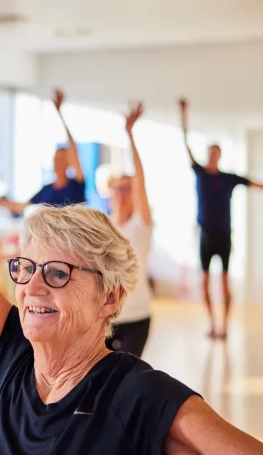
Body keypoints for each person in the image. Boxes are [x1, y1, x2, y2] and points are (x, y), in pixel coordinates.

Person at [0, 21, 263, 455]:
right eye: (26, 269)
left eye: (58, 273)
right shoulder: (9, 350)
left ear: (109, 297)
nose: (31, 286)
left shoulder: (140, 396)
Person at [180, 98, 263, 339]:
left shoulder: (228, 178)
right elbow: (185, 144)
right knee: (204, 284)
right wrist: (183, 114)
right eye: (209, 153)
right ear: (207, 155)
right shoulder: (200, 173)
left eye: (216, 153)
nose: (212, 156)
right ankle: (212, 323)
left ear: (220, 156)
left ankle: (223, 326)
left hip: (224, 236)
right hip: (205, 236)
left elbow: (256, 184)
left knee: (224, 284)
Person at [104, 101, 153, 357]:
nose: (123, 193)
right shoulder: (102, 225)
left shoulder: (140, 225)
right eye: (118, 188)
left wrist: (130, 135)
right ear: (109, 192)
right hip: (105, 319)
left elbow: (141, 182)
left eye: (128, 188)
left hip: (137, 317)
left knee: (126, 382)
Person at [0, 89, 86, 213]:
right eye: (56, 159)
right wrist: (3, 204)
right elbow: (22, 206)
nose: (57, 163)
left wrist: (60, 114)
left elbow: (73, 150)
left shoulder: (76, 185)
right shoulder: (47, 190)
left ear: (68, 163)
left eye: (62, 159)